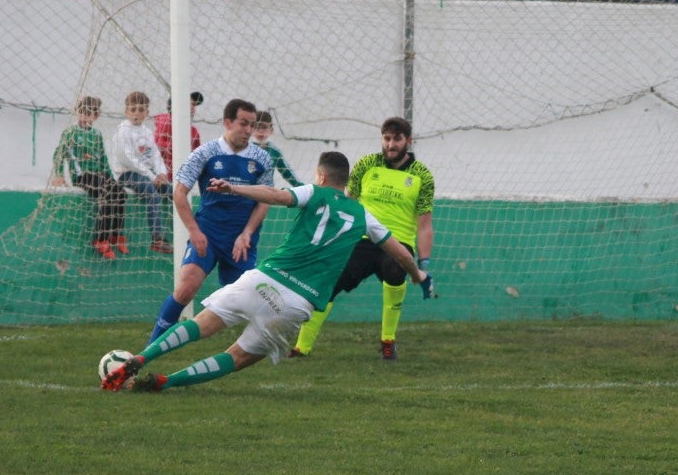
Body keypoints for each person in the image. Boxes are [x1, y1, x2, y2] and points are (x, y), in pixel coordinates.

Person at [101, 151, 435, 392]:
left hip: (267, 278)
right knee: (240, 355)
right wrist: (419, 276)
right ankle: (169, 381)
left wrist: (234, 188)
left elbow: (275, 195)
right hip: (297, 304)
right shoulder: (364, 216)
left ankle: (142, 357)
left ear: (321, 176)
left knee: (202, 323)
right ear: (346, 181)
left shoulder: (313, 192)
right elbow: (401, 255)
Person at [291, 116, 436, 361]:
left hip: (398, 243)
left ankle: (388, 342)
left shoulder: (422, 175)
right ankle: (300, 348)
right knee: (329, 282)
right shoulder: (367, 165)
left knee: (395, 270)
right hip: (363, 239)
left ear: (408, 141)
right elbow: (347, 203)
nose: (391, 145)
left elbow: (424, 224)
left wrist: (423, 265)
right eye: (387, 139)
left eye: (397, 139)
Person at [145, 98, 274, 344]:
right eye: (243, 124)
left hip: (241, 239)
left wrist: (247, 232)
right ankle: (151, 347)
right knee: (186, 288)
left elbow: (265, 200)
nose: (248, 130)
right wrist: (194, 231)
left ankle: (256, 349)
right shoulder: (205, 153)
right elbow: (179, 192)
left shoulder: (262, 159)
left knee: (244, 302)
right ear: (228, 122)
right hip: (208, 233)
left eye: (252, 125)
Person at [51, 95, 129, 259]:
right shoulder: (71, 132)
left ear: (96, 116)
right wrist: (59, 175)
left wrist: (111, 179)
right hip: (82, 176)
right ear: (78, 112)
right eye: (82, 112)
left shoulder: (97, 134)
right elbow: (59, 153)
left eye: (89, 113)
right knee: (107, 195)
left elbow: (103, 159)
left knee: (121, 193)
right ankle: (101, 239)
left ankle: (116, 235)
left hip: (99, 175)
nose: (85, 116)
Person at [111, 90, 174, 253]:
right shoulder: (123, 131)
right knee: (152, 193)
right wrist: (152, 176)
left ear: (147, 112)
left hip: (148, 173)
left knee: (174, 191)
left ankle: (184, 233)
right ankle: (157, 238)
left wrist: (161, 174)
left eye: (141, 109)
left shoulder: (146, 132)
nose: (136, 113)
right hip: (128, 174)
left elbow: (155, 156)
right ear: (126, 111)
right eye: (133, 109)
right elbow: (128, 159)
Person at [153, 91, 205, 177]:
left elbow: (198, 157)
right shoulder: (165, 124)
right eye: (189, 104)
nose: (193, 108)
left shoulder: (194, 132)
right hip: (162, 178)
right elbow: (157, 147)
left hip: (182, 178)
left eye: (194, 105)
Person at [251, 111, 304, 187]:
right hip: (246, 194)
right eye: (257, 127)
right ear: (250, 129)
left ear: (271, 130)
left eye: (264, 127)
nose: (260, 131)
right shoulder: (244, 149)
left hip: (267, 194)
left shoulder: (274, 151)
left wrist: (303, 189)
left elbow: (286, 172)